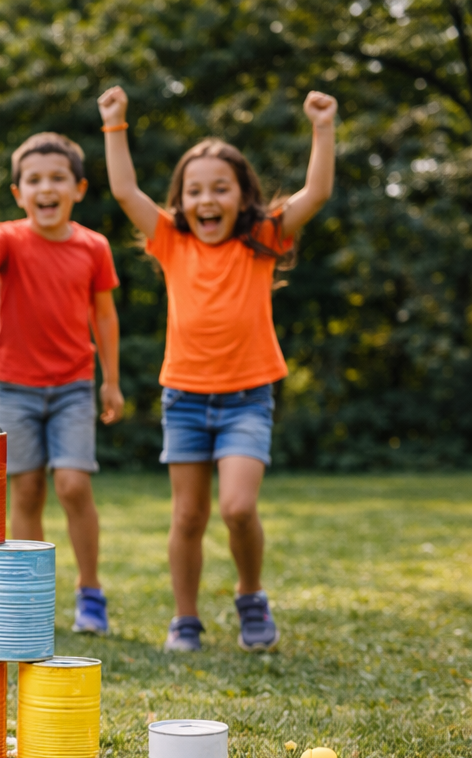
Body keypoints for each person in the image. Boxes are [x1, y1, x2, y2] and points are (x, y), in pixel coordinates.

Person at [97, 85, 337, 653]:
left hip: (247, 398)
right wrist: (114, 124)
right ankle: (185, 619)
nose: (207, 199)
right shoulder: (170, 241)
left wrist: (323, 127)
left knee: (238, 507)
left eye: (220, 188)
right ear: (182, 201)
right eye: (195, 190)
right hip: (184, 398)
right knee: (187, 517)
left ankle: (250, 594)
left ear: (242, 196)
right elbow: (125, 190)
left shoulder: (263, 237)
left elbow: (317, 192)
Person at [0, 133, 124, 636]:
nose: (47, 188)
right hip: (15, 387)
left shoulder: (94, 246)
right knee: (25, 492)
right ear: (18, 193)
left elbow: (105, 317)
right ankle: (28, 597)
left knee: (73, 485)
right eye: (35, 180)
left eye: (58, 178)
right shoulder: (6, 237)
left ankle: (91, 592)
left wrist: (111, 381)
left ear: (79, 189)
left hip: (73, 386)